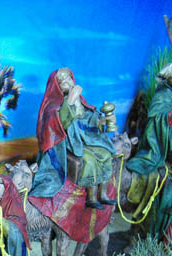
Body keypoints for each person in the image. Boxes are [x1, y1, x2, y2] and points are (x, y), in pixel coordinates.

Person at [31, 68, 117, 209]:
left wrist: (102, 121)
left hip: (83, 140)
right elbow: (59, 124)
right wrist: (70, 101)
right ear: (57, 86)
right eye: (62, 81)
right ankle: (91, 198)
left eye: (68, 79)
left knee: (105, 154)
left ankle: (102, 194)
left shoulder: (79, 101)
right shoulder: (53, 106)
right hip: (66, 144)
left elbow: (88, 119)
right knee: (88, 160)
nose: (67, 83)